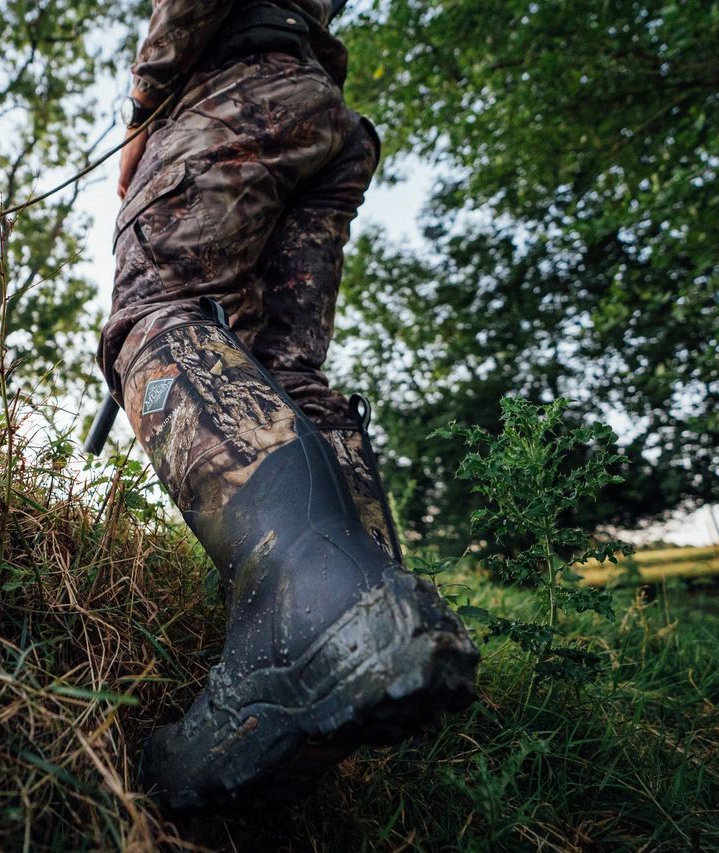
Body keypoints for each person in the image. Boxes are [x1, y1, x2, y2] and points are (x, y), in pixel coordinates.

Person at [100, 0, 480, 812]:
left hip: (237, 83)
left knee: (157, 308)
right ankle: (377, 612)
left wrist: (143, 111)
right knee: (283, 373)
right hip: (321, 110)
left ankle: (306, 615)